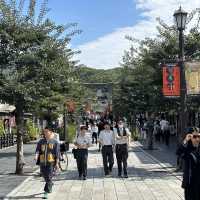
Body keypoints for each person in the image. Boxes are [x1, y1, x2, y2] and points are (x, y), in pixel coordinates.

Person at [35, 127, 60, 199]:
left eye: (46, 132)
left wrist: (57, 163)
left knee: (49, 176)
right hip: (42, 162)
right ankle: (50, 183)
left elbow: (57, 153)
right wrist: (36, 156)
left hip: (51, 162)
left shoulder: (55, 142)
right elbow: (37, 150)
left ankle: (46, 192)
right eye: (44, 132)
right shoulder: (41, 141)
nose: (45, 133)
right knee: (44, 175)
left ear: (51, 132)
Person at [177, 127, 200, 200]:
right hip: (189, 184)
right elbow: (178, 152)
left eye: (199, 136)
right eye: (194, 136)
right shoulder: (187, 150)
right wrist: (185, 140)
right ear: (190, 137)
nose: (197, 139)